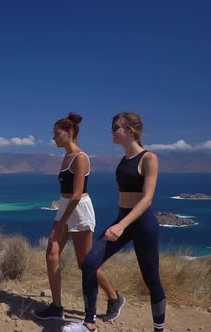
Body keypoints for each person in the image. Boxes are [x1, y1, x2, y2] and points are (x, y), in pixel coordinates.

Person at [61, 112, 166, 332]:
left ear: (131, 131)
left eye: (116, 127)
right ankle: (89, 324)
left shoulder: (149, 158)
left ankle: (159, 328)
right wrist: (120, 223)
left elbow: (147, 199)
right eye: (113, 127)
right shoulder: (123, 160)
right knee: (89, 263)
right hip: (122, 219)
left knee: (151, 280)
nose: (112, 131)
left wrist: (121, 225)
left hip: (142, 224)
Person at [34, 112, 125, 323]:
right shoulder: (66, 157)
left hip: (79, 210)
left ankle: (114, 298)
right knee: (51, 252)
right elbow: (67, 196)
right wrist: (61, 217)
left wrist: (61, 221)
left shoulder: (81, 158)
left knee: (85, 262)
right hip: (66, 207)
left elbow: (76, 195)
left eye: (57, 134)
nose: (53, 138)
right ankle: (56, 307)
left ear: (70, 132)